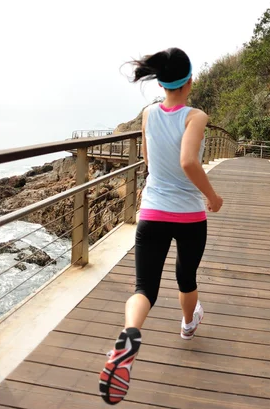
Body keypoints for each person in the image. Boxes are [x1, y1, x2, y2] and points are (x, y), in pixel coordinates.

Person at [99, 47, 224, 405]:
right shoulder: (196, 116)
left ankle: (129, 335)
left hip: (152, 211)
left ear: (162, 81)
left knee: (145, 288)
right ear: (189, 81)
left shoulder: (149, 113)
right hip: (187, 215)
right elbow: (188, 161)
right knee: (186, 277)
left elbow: (149, 160)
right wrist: (212, 197)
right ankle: (188, 326)